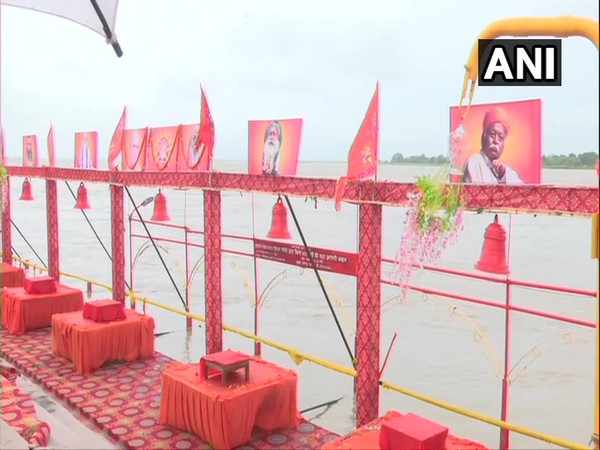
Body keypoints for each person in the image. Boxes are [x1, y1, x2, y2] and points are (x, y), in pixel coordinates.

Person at [462, 107, 523, 184]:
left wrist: (503, 177)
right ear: (484, 135)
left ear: (503, 144)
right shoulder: (474, 162)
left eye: (500, 137)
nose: (495, 141)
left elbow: (524, 192)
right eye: (492, 134)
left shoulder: (507, 172)